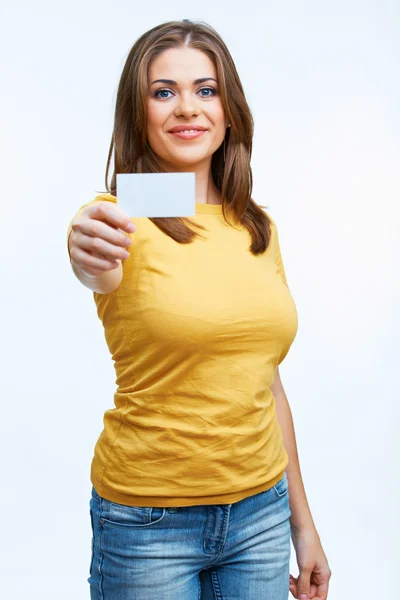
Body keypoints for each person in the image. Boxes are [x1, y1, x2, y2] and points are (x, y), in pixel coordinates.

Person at [66, 19, 331, 600]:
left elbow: (267, 385)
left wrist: (303, 527)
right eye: (164, 92)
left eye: (205, 90)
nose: (187, 107)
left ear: (229, 108)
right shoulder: (118, 216)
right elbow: (93, 258)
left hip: (261, 517)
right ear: (139, 113)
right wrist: (80, 245)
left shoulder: (254, 226)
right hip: (148, 524)